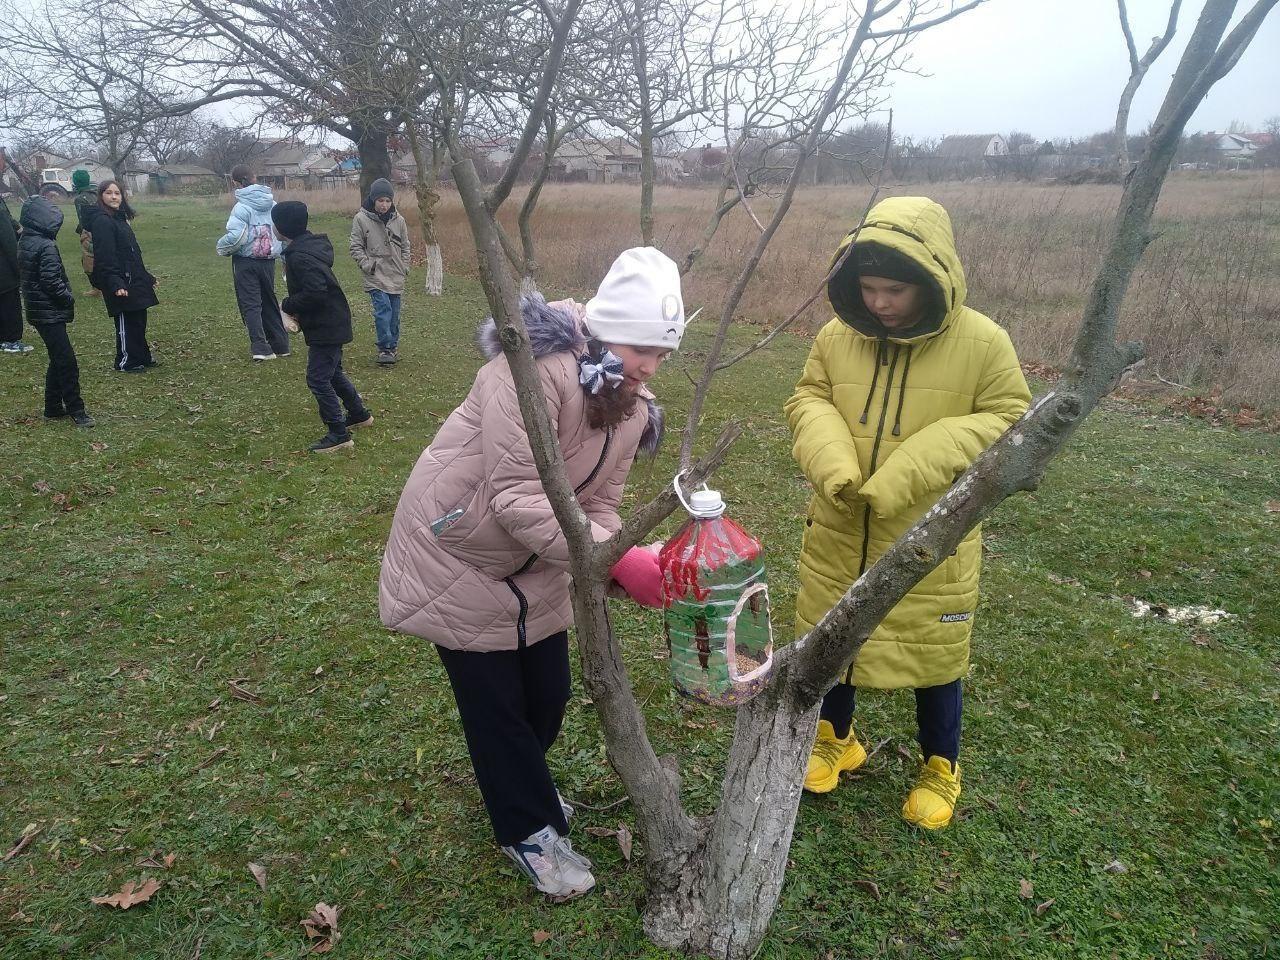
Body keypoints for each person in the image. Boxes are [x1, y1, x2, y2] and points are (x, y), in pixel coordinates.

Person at [378, 247, 680, 901]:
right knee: (499, 714)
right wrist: (615, 559)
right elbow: (516, 496)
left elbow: (599, 505)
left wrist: (622, 555)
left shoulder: (630, 403)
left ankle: (524, 787)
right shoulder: (530, 368)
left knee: (548, 697)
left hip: (539, 560)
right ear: (605, 326)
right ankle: (527, 829)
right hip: (457, 549)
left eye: (664, 352)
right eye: (642, 346)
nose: (652, 366)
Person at [785, 197, 1031, 830]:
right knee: (835, 638)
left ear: (930, 279)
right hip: (841, 525)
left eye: (893, 289)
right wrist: (835, 463)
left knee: (934, 654)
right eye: (867, 288)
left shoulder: (983, 343)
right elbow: (809, 397)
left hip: (931, 535)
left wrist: (911, 467)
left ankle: (940, 765)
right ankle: (836, 737)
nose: (879, 303)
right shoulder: (837, 337)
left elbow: (1009, 419)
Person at [271, 200, 372, 453]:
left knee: (317, 379)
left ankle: (338, 433)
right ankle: (359, 414)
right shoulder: (307, 248)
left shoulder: (301, 257)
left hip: (327, 325)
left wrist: (288, 304)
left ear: (280, 228)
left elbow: (316, 293)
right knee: (333, 373)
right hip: (330, 322)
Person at [18, 196, 92, 427]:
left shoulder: (26, 240)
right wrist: (67, 297)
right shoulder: (46, 245)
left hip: (38, 311)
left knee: (57, 358)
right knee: (66, 361)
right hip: (48, 311)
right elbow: (50, 280)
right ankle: (76, 409)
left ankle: (52, 406)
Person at [217, 165, 289, 361]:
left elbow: (237, 237)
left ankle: (261, 347)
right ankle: (280, 344)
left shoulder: (241, 207)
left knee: (251, 304)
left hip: (246, 261)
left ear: (236, 183)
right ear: (255, 179)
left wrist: (221, 248)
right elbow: (280, 233)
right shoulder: (272, 203)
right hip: (268, 261)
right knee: (269, 300)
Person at [87, 180, 159, 372]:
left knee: (139, 318)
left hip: (133, 278)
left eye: (117, 193)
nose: (114, 197)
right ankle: (127, 361)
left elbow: (131, 253)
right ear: (101, 196)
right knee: (127, 320)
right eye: (109, 193)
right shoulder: (102, 221)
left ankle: (141, 356)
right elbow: (105, 256)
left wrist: (146, 277)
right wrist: (115, 282)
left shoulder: (119, 219)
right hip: (120, 280)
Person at [349, 178, 410, 365]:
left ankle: (393, 345)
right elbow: (355, 246)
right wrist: (367, 265)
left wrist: (405, 265)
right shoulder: (361, 219)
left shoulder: (399, 220)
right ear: (373, 200)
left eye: (387, 201)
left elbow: (406, 246)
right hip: (375, 275)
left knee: (394, 313)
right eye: (380, 200)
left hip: (396, 273)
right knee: (383, 310)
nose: (384, 205)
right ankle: (385, 348)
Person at [0, 197, 33, 354]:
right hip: (4, 270)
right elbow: (8, 242)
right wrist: (19, 268)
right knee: (10, 304)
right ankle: (11, 340)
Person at [70, 169, 101, 297]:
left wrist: (81, 232)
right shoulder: (98, 193)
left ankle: (97, 288)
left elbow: (83, 219)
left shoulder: (80, 199)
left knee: (88, 261)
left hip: (92, 233)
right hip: (104, 229)